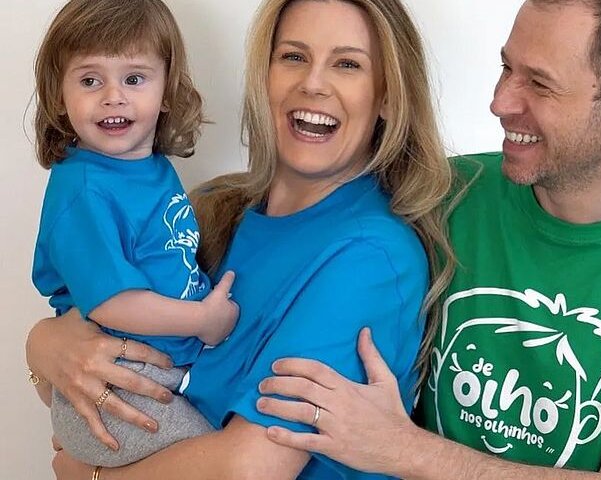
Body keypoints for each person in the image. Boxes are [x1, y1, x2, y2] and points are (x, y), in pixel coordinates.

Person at [253, 0, 601, 478]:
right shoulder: (443, 192)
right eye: (507, 68)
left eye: (540, 84)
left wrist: (402, 448)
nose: (500, 102)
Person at [26, 0, 455, 478]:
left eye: (347, 64)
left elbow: (250, 467)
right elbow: (93, 354)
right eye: (293, 56)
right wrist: (44, 345)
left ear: (389, 96)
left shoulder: (371, 257)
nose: (313, 83)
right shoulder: (212, 210)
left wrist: (93, 477)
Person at [30, 0, 239, 467]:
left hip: (161, 370)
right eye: (90, 80)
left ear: (167, 89)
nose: (113, 97)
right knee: (220, 460)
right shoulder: (84, 190)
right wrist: (202, 320)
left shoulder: (151, 168)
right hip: (116, 383)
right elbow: (114, 303)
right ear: (60, 94)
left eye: (134, 78)